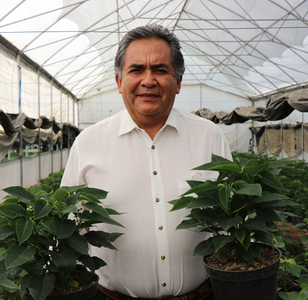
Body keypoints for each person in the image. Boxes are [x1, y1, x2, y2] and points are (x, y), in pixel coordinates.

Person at [61, 24, 232, 300]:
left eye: (160, 70)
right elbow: (68, 228)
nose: (148, 80)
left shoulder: (209, 137)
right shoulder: (88, 143)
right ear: (119, 82)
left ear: (177, 82)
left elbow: (231, 221)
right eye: (136, 69)